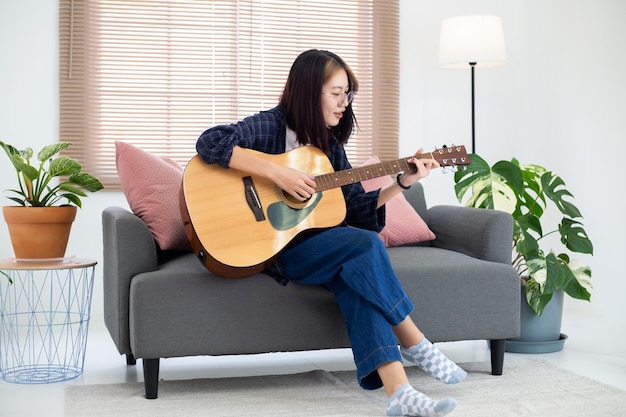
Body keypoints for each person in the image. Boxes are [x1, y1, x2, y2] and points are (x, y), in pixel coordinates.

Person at [196, 49, 466, 417]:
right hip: (275, 248)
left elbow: (356, 208)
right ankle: (415, 340)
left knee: (358, 286)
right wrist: (278, 174)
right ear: (309, 91)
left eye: (348, 93)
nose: (344, 102)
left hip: (325, 249)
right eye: (337, 93)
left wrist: (402, 182)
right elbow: (210, 142)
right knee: (365, 244)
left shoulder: (329, 147)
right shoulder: (269, 126)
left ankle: (400, 392)